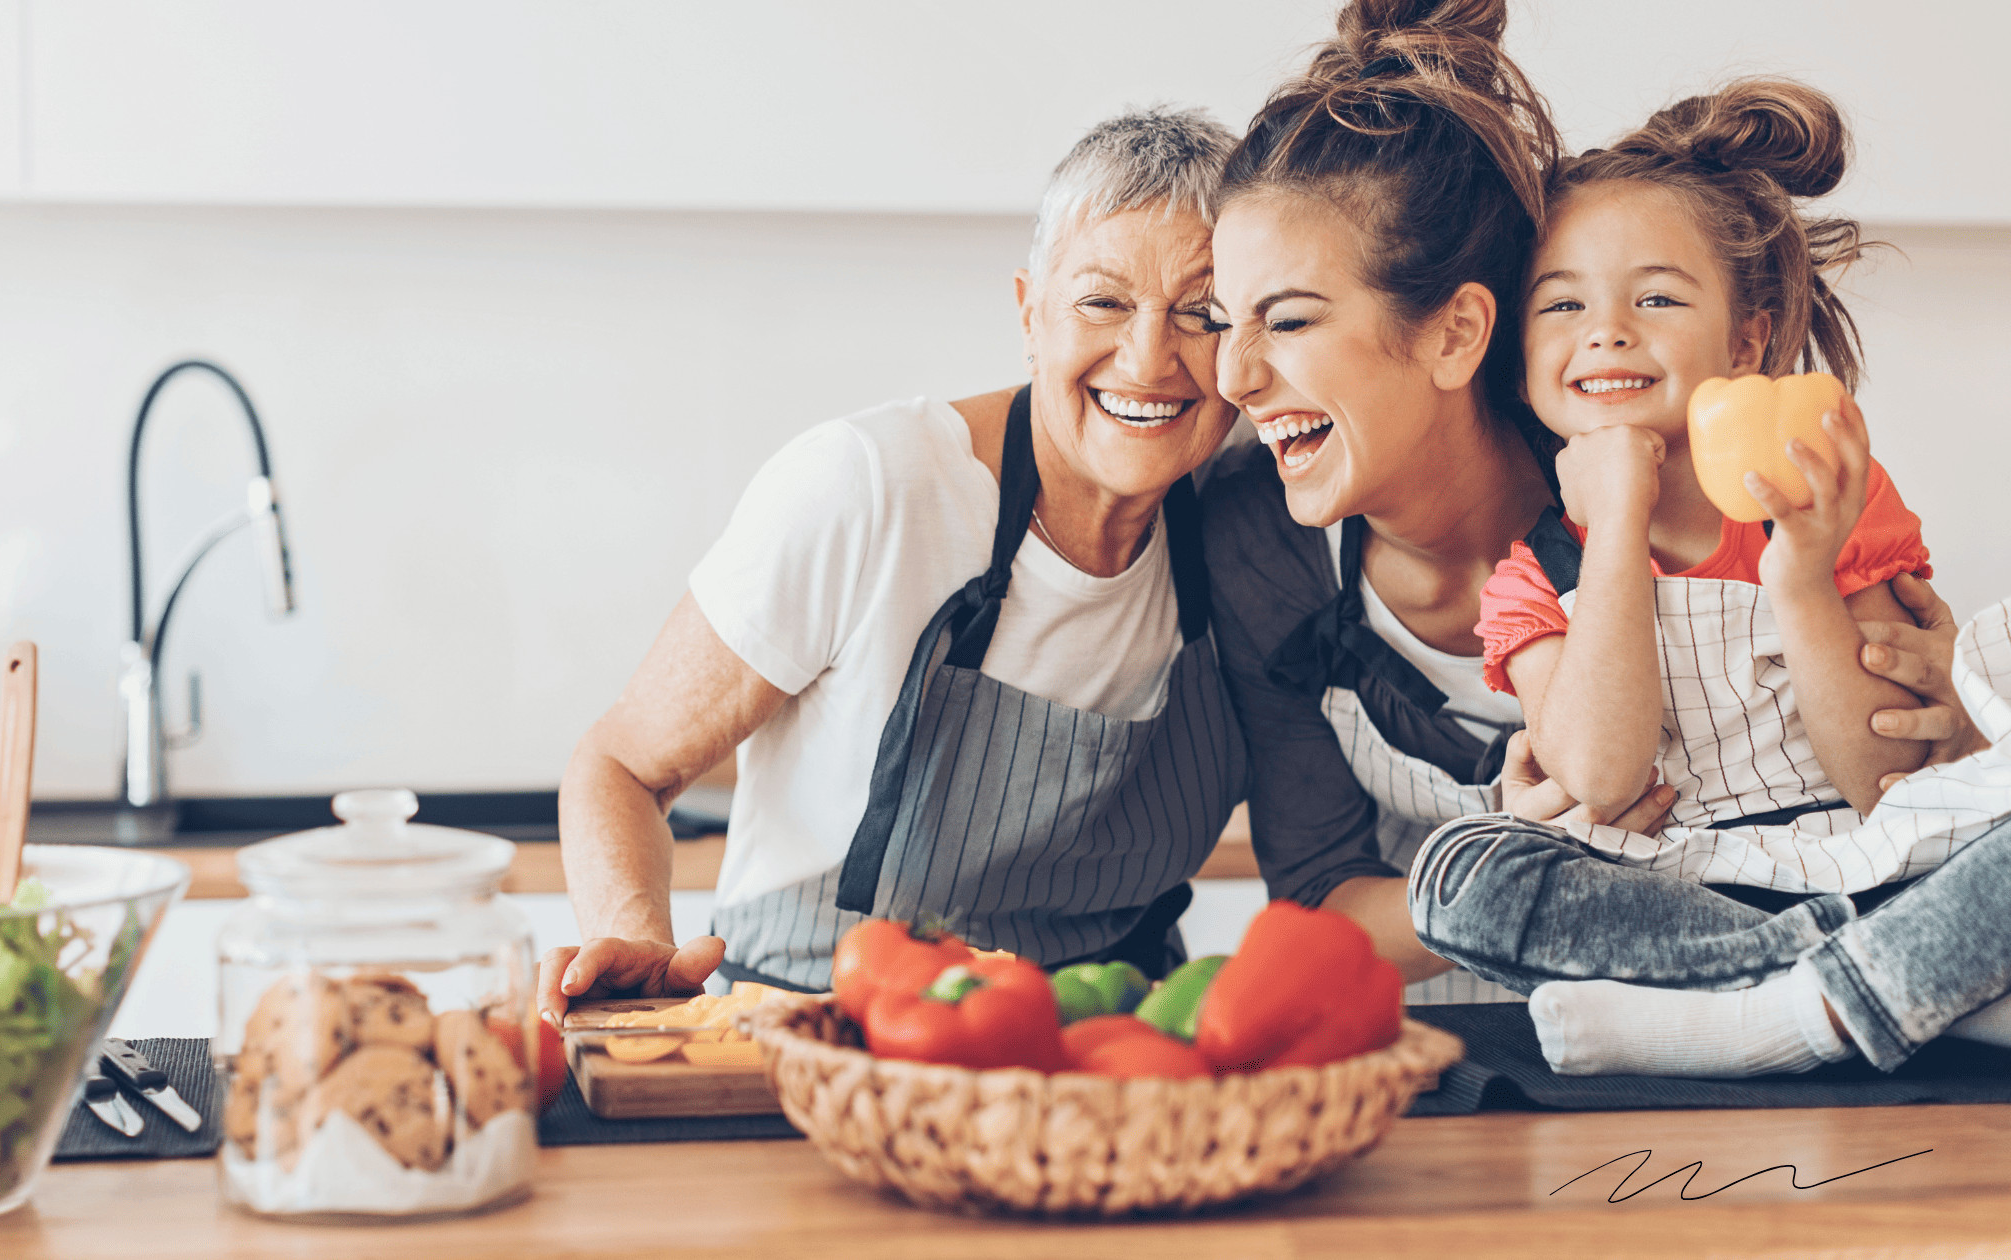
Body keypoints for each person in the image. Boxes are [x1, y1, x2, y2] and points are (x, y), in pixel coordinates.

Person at [1200, 0, 1980, 1005]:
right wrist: (1536, 845)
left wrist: (1956, 713)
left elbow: (1889, 766)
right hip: (1483, 1040)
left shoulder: (1661, 469)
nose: (1231, 378)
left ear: (1457, 334)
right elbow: (1317, 902)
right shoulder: (1263, 539)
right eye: (1564, 304)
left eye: (1290, 320)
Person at [538, 109, 1248, 1017]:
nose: (1150, 358)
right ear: (1031, 313)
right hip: (812, 1039)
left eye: (1204, 313)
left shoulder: (1258, 526)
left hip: (1109, 1054)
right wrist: (640, 942)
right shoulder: (871, 489)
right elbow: (621, 764)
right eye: (1102, 302)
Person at [1407, 80, 2011, 1077]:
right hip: (1689, 903)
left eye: (1653, 298)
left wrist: (1802, 575)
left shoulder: (1825, 498)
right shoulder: (1531, 575)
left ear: (1743, 341)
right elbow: (1600, 780)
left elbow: (1880, 779)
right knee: (1459, 872)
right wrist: (1613, 527)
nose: (1604, 330)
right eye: (1561, 303)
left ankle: (1780, 1016)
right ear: (1519, 364)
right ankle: (1880, 991)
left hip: (1879, 866)